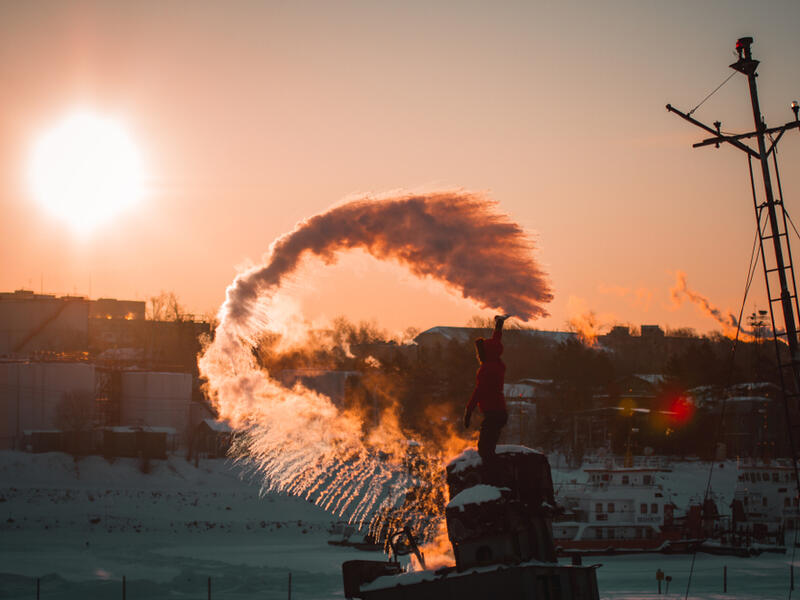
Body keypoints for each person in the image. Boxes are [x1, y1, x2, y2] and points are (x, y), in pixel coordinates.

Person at [463, 314, 509, 463]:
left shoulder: (486, 369)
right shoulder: (496, 362)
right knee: (488, 448)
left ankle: (494, 477)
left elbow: (479, 391)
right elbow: (496, 341)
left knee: (485, 450)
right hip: (499, 412)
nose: (478, 355)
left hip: (493, 414)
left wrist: (469, 411)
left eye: (480, 352)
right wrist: (499, 325)